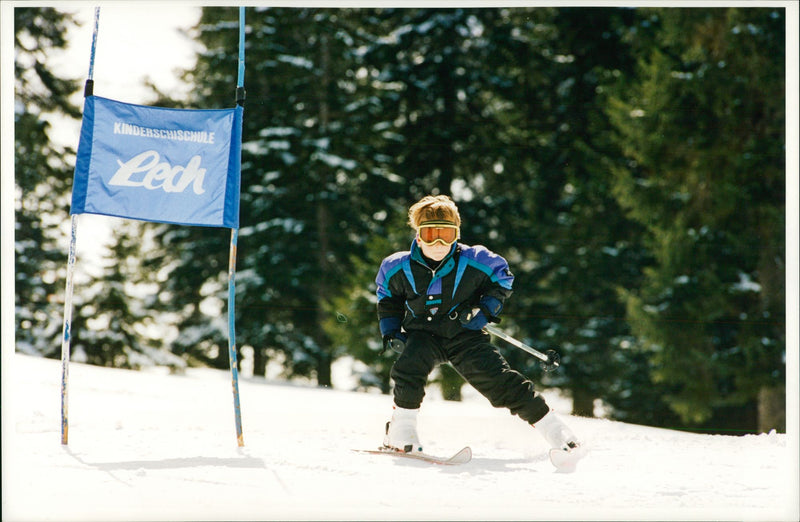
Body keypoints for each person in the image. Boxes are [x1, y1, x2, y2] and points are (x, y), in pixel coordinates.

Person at [374, 194, 583, 464]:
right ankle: (401, 432)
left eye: (446, 235)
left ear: (457, 235)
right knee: (408, 367)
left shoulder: (476, 259)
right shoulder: (397, 267)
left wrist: (485, 310)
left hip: (464, 335)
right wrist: (391, 332)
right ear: (418, 234)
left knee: (500, 381)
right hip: (422, 335)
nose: (438, 244)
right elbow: (388, 299)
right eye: (430, 235)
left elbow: (503, 280)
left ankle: (558, 432)